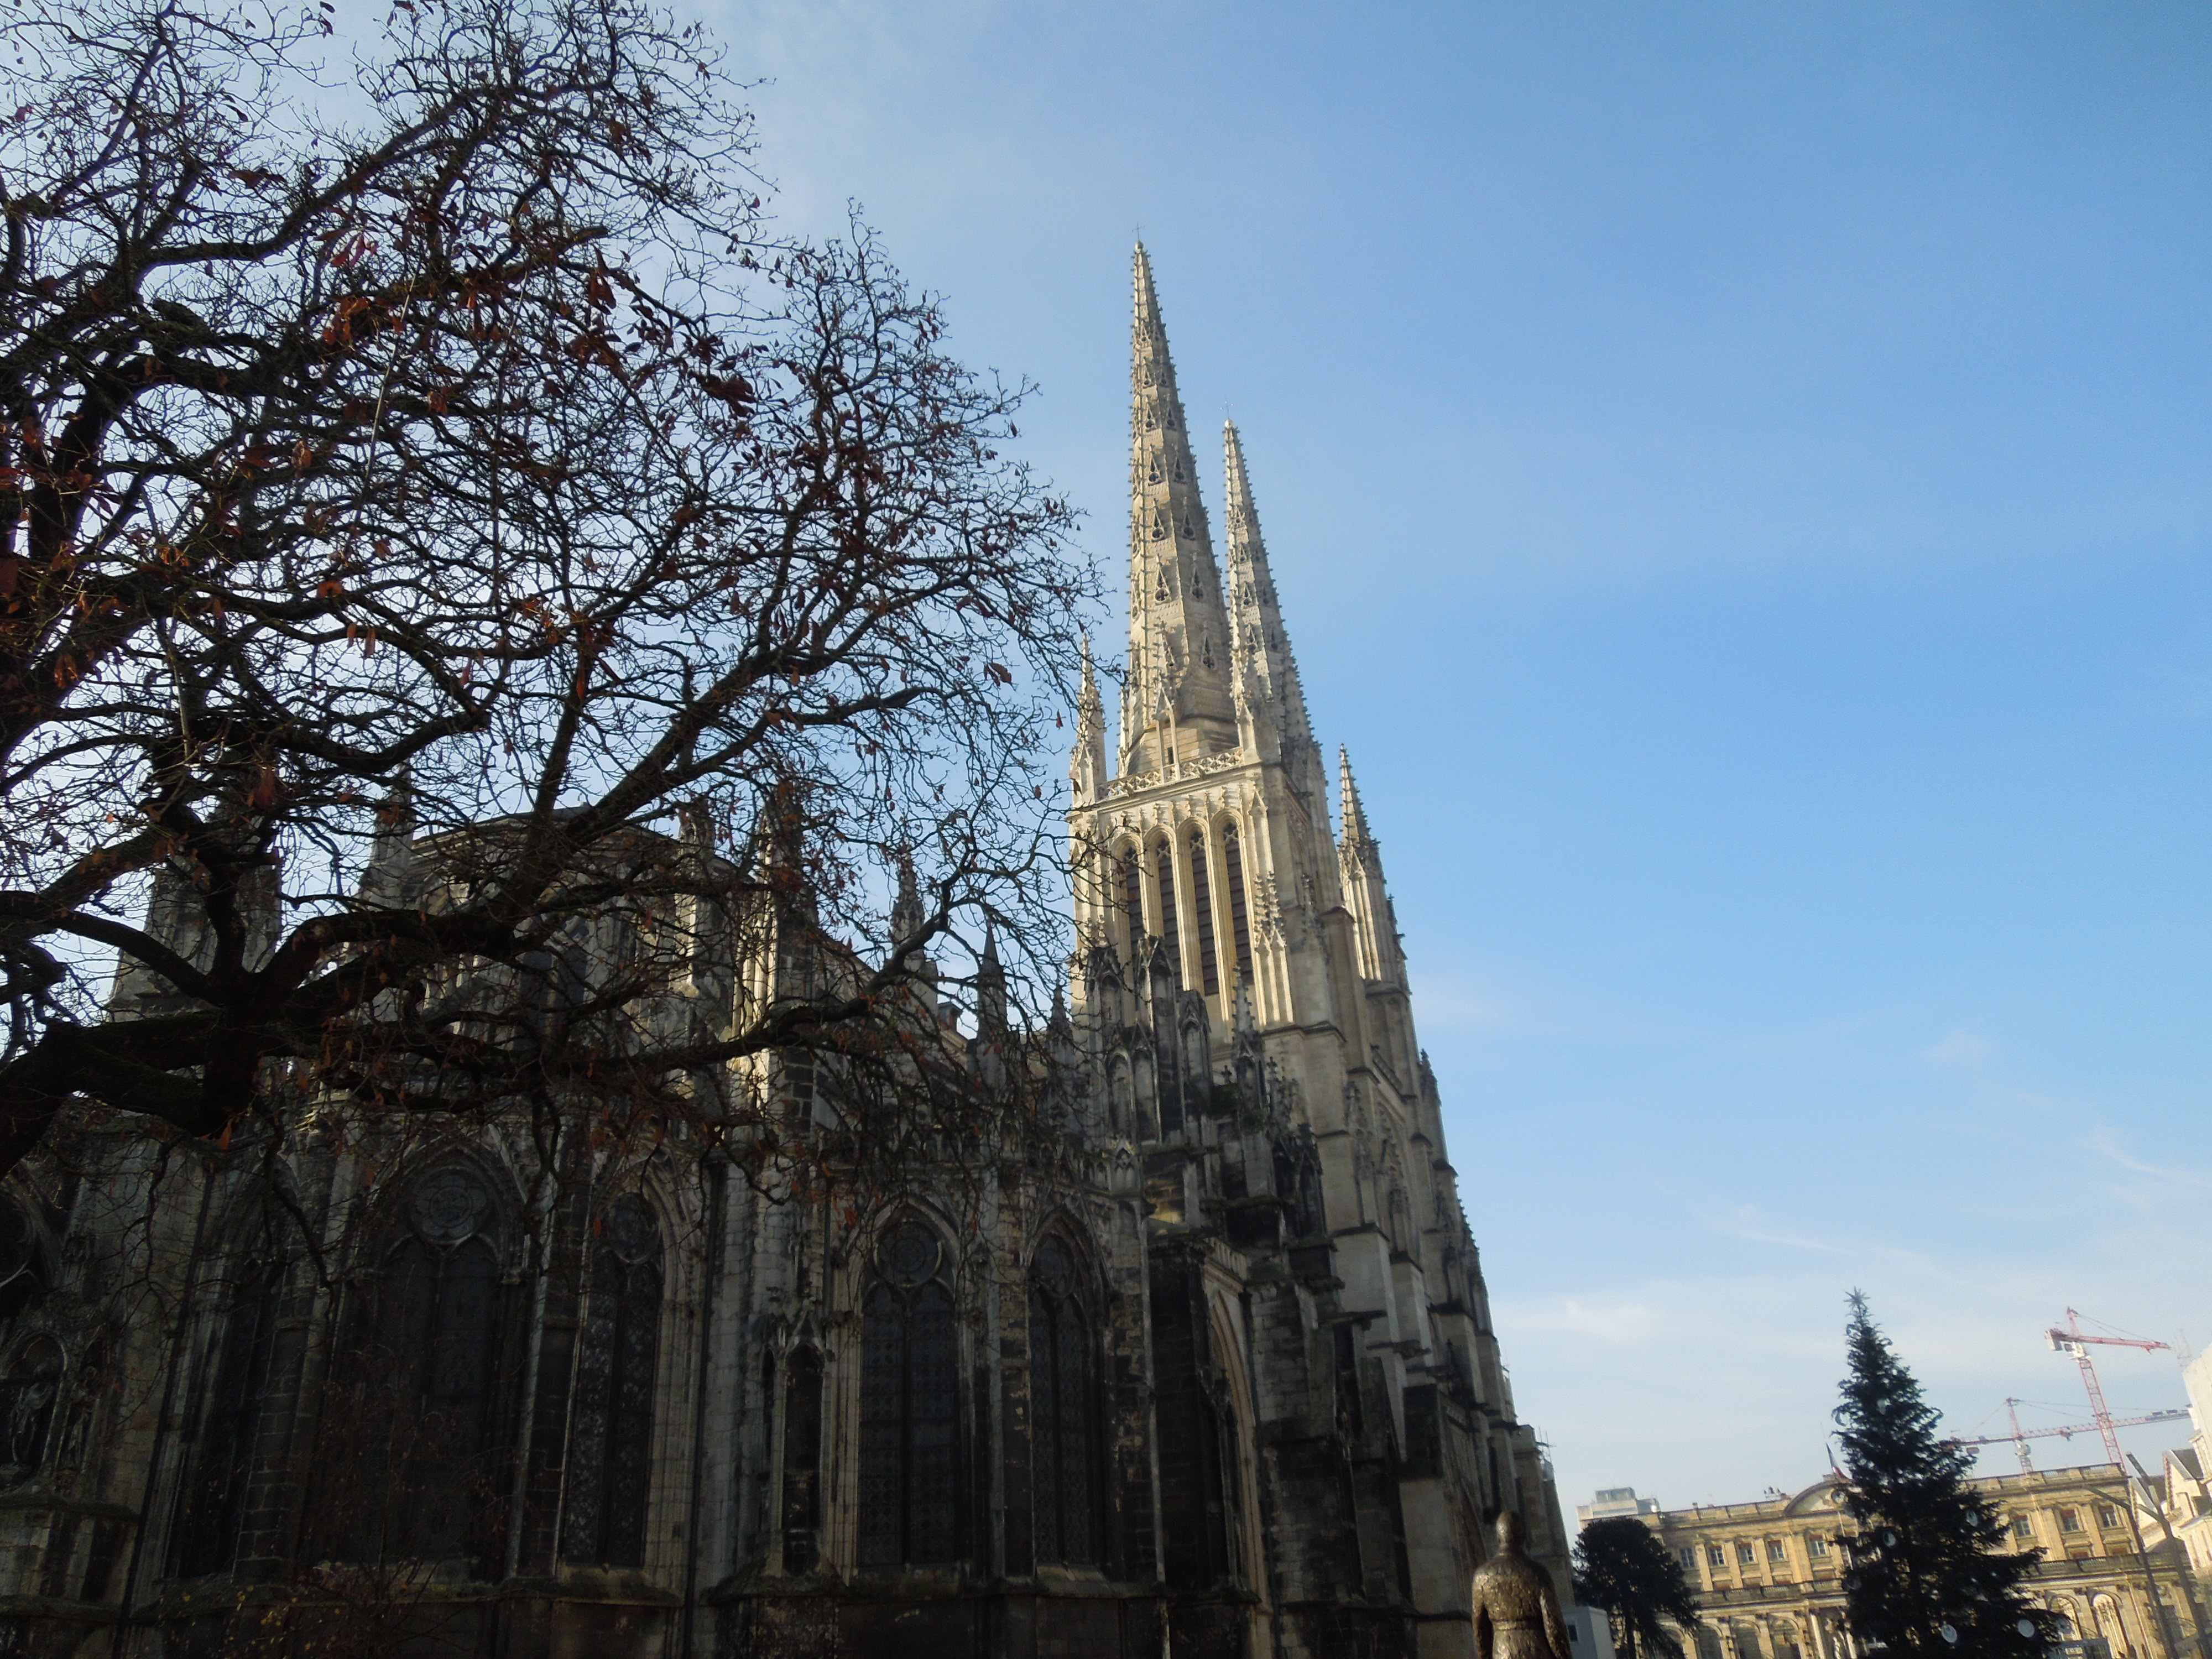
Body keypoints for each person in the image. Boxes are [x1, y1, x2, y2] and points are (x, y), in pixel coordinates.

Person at [1472, 1509, 1570, 1659]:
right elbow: (1553, 1625)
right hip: (1536, 1650)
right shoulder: (1538, 1573)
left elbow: (1480, 1628)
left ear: (1498, 1538)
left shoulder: (1482, 1576)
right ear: (1523, 1536)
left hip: (1502, 1650)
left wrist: (1485, 1656)